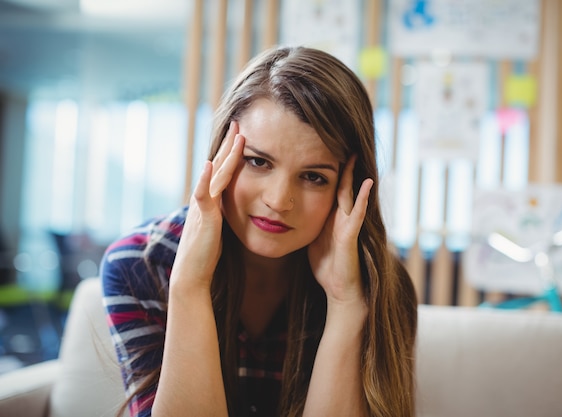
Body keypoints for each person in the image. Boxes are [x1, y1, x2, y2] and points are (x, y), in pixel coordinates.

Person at [101, 45, 418, 417]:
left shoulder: (381, 285)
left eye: (314, 177)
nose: (279, 200)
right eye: (257, 161)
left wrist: (346, 304)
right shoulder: (142, 264)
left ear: (346, 189)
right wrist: (189, 284)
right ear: (221, 156)